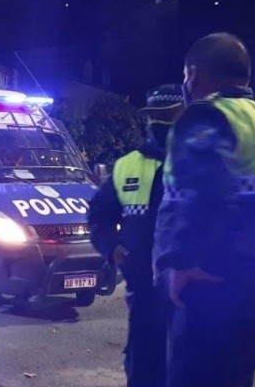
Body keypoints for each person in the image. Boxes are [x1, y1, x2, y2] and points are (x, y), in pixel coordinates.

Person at [154, 33, 255, 387]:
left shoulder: (206, 115)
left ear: (193, 74)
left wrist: (182, 262)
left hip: (211, 287)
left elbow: (205, 192)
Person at [89, 84, 183, 387]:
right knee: (143, 368)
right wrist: (111, 248)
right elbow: (99, 216)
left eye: (169, 115)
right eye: (155, 115)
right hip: (143, 291)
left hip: (190, 293)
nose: (160, 123)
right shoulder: (127, 165)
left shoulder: (199, 164)